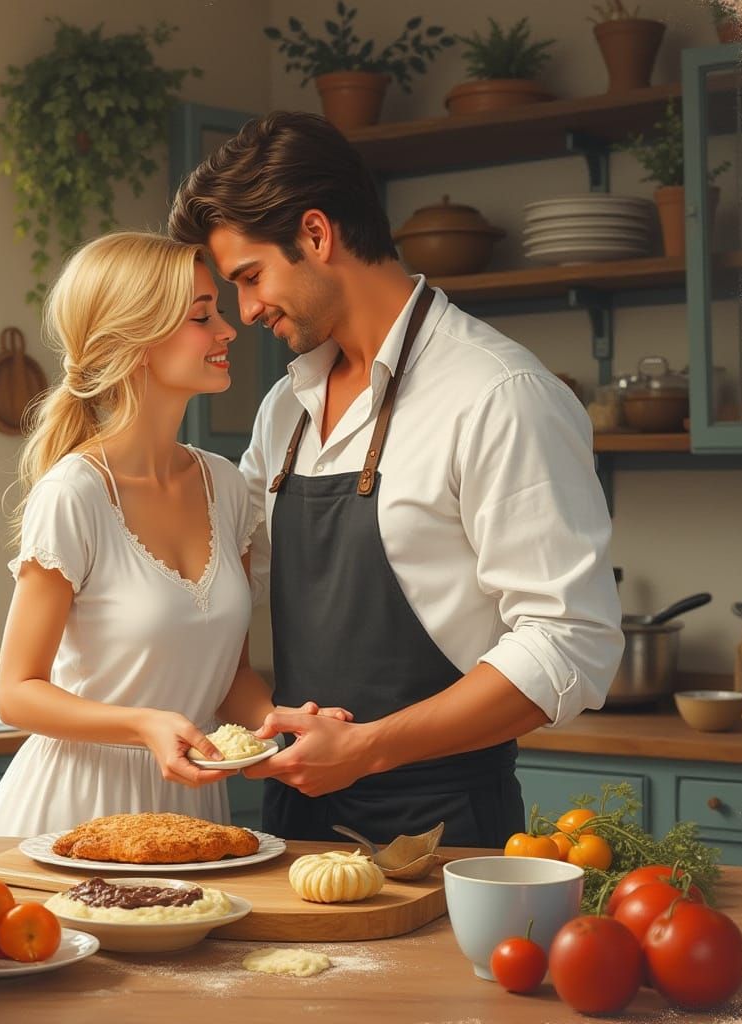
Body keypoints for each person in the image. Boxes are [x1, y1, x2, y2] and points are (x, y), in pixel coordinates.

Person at [168, 112, 624, 848]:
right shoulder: (285, 407)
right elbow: (222, 587)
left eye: (251, 277)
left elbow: (569, 642)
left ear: (317, 234)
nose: (246, 310)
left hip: (443, 833)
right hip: (294, 820)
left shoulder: (498, 394)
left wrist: (369, 748)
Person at [0, 231, 349, 838]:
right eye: (203, 316)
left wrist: (271, 720)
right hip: (71, 815)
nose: (229, 330)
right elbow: (16, 693)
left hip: (190, 813)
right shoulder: (76, 493)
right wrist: (144, 725)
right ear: (136, 341)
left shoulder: (226, 488)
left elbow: (226, 674)